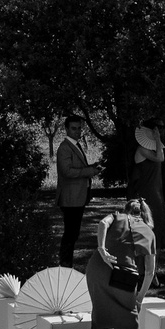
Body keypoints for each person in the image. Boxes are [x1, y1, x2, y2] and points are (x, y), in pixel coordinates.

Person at [84, 207, 159, 329]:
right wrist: (139, 300)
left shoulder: (115, 216)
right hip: (122, 274)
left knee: (101, 314)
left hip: (96, 267)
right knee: (128, 320)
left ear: (127, 210)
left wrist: (101, 249)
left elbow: (102, 223)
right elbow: (149, 272)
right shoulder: (148, 232)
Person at [52, 112, 100, 267]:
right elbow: (67, 172)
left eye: (79, 128)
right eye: (74, 128)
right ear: (66, 129)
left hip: (78, 196)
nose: (77, 131)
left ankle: (67, 264)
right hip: (70, 197)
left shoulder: (75, 145)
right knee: (70, 234)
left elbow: (77, 168)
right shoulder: (65, 148)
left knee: (73, 233)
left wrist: (91, 167)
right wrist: (89, 171)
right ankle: (65, 264)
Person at [129, 120, 165, 239]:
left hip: (156, 190)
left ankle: (156, 253)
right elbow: (160, 158)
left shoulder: (153, 149)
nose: (158, 133)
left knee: (159, 221)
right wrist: (157, 139)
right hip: (147, 191)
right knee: (149, 221)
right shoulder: (141, 149)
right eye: (155, 131)